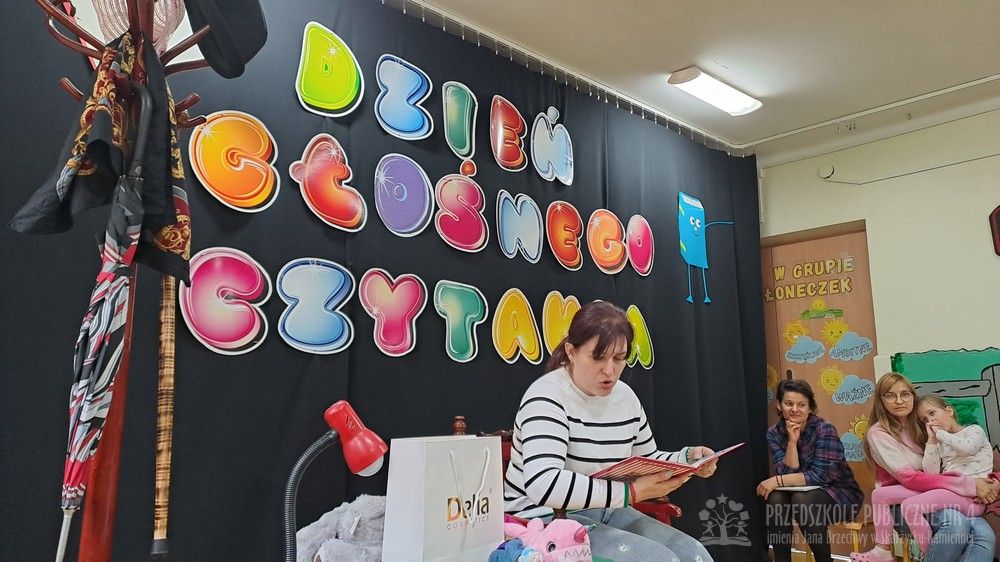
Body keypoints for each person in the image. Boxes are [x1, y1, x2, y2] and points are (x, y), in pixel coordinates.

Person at [503, 301, 717, 562]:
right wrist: (630, 493)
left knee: (695, 554)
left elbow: (645, 459)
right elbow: (544, 484)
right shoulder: (547, 396)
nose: (610, 370)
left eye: (619, 358)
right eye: (598, 357)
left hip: (607, 509)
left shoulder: (625, 397)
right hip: (543, 518)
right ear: (571, 352)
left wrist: (687, 459)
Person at [850, 373, 999, 562]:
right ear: (881, 400)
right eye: (890, 395)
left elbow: (975, 460)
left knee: (985, 535)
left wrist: (995, 482)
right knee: (955, 525)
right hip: (907, 502)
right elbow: (912, 478)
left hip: (948, 494)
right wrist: (969, 485)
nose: (899, 401)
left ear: (913, 397)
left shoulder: (925, 426)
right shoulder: (879, 434)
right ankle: (906, 552)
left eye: (905, 394)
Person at [757, 379, 863, 562]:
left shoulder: (824, 430)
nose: (794, 409)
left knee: (802, 500)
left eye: (801, 405)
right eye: (788, 403)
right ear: (779, 405)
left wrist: (776, 481)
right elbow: (787, 474)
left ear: (810, 407)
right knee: (775, 498)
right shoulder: (774, 433)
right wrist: (792, 442)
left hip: (839, 496)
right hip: (798, 497)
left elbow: (819, 476)